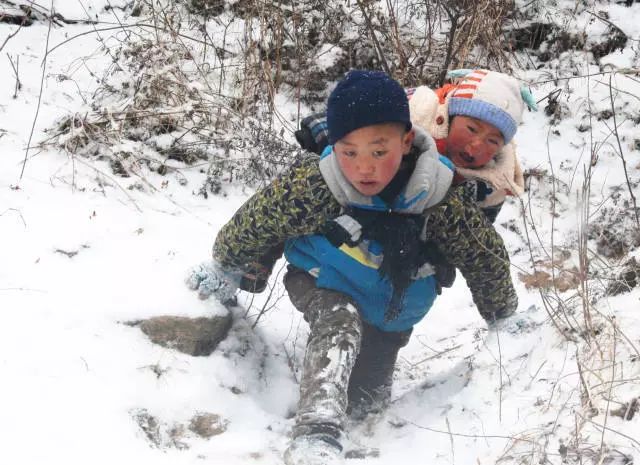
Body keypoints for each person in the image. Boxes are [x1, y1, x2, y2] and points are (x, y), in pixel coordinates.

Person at [187, 70, 518, 465]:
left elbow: (483, 255)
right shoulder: (320, 183)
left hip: (391, 310)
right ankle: (317, 430)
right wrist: (224, 264)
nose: (365, 169)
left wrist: (503, 316)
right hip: (322, 277)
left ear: (407, 141)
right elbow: (260, 218)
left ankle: (354, 419)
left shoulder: (439, 195)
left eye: (380, 152)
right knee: (339, 323)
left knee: (367, 402)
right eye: (349, 152)